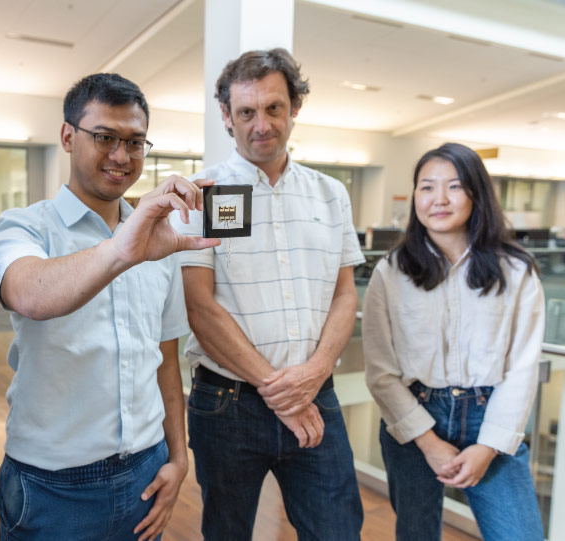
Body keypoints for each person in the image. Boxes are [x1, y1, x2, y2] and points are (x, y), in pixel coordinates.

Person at [0, 73, 218, 540]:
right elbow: (28, 293)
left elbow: (165, 357)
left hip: (146, 471)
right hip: (52, 485)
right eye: (105, 137)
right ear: (68, 137)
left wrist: (178, 456)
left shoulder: (160, 240)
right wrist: (121, 250)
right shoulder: (24, 226)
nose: (120, 155)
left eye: (135, 142)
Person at [172, 48, 364, 540]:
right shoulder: (203, 192)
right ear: (226, 117)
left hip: (316, 395)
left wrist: (314, 375)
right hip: (228, 405)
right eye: (246, 112)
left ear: (295, 106)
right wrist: (283, 394)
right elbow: (200, 307)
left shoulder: (331, 194)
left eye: (274, 108)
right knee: (227, 532)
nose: (262, 124)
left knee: (338, 530)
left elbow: (346, 295)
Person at [362, 142, 545, 541]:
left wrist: (489, 447)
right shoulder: (391, 272)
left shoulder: (516, 271)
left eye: (455, 186)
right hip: (414, 420)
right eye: (427, 187)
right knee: (417, 534)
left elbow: (523, 368)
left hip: (489, 417)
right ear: (415, 197)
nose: (439, 199)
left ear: (477, 195)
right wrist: (428, 443)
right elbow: (380, 371)